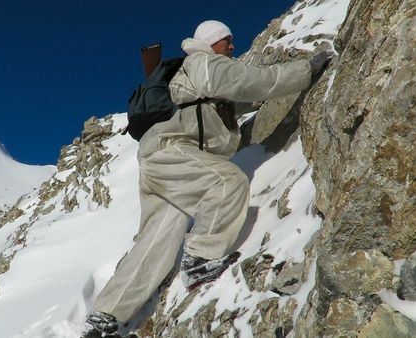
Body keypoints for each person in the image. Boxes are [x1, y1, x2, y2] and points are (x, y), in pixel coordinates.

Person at [82, 20, 332, 337]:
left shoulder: (199, 75)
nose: (231, 46)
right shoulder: (203, 63)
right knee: (228, 181)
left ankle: (105, 315)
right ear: (211, 41)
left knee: (157, 240)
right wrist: (305, 72)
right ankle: (200, 258)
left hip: (159, 159)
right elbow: (253, 82)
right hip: (173, 152)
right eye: (227, 40)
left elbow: (239, 100)